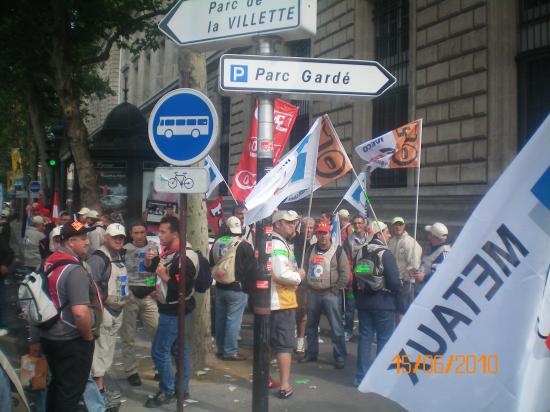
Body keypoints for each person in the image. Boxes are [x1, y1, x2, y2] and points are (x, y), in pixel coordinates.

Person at [144, 215, 212, 407]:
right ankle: (181, 389)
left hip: (174, 312)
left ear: (175, 233)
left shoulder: (185, 257)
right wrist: (150, 264)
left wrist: (164, 277)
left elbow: (182, 287)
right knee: (179, 350)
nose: (160, 235)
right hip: (170, 308)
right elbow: (153, 271)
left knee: (159, 351)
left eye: (163, 232)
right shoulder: (169, 252)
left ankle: (168, 390)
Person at [40, 221, 102, 412]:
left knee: (58, 386)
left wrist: (34, 340)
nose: (87, 243)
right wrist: (87, 336)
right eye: (83, 239)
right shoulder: (74, 270)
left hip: (49, 336)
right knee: (70, 392)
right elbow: (79, 312)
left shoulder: (46, 263)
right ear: (70, 242)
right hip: (71, 339)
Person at [353, 220, 401, 385]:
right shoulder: (385, 253)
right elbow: (394, 282)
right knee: (384, 339)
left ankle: (361, 376)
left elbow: (356, 278)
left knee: (365, 338)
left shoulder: (360, 252)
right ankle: (379, 378)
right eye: (387, 232)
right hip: (384, 302)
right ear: (379, 234)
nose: (389, 235)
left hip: (364, 302)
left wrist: (358, 299)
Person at [299, 221, 349, 369]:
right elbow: (306, 268)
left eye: (325, 233)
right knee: (311, 326)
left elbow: (345, 273)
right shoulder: (310, 249)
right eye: (320, 233)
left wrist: (336, 289)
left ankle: (339, 356)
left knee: (336, 327)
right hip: (313, 292)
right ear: (316, 234)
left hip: (330, 293)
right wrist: (307, 285)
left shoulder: (338, 251)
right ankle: (311, 352)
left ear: (329, 234)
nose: (322, 236)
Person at [87, 223, 128, 401]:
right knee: (100, 352)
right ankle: (98, 392)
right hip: (105, 311)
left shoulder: (118, 255)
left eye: (121, 238)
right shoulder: (98, 259)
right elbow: (91, 285)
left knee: (107, 351)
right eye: (115, 237)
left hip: (117, 310)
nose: (118, 240)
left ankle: (98, 391)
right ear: (106, 237)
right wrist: (100, 306)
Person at [210, 216, 255, 360]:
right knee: (233, 321)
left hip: (220, 286)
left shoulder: (217, 242)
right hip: (237, 288)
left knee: (220, 319)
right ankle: (230, 352)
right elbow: (251, 269)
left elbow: (212, 262)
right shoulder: (244, 245)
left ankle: (221, 348)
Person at [270, 210, 304, 399]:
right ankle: (284, 385)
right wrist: (299, 276)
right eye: (288, 222)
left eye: (294, 223)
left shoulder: (275, 242)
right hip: (281, 301)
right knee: (284, 345)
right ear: (277, 224)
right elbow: (280, 273)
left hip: (273, 300)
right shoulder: (278, 244)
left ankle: (265, 377)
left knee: (268, 344)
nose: (293, 225)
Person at [120, 222, 159, 386]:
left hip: (149, 296)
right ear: (131, 233)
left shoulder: (153, 248)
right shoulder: (124, 249)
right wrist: (124, 293)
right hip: (130, 296)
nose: (139, 236)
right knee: (128, 336)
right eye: (136, 232)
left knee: (156, 332)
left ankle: (159, 368)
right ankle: (131, 371)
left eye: (142, 232)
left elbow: (155, 269)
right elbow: (120, 272)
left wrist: (152, 288)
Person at [388, 217, 422, 319]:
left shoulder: (410, 242)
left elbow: (414, 263)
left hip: (405, 283)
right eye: (395, 224)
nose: (398, 226)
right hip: (392, 283)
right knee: (394, 311)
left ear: (404, 226)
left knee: (403, 312)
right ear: (392, 226)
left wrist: (406, 277)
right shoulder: (391, 241)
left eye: (400, 224)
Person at [292, 216, 316, 353]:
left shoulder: (315, 243)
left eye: (311, 228)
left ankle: (300, 341)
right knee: (292, 313)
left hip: (307, 284)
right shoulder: (295, 240)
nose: (308, 230)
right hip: (293, 281)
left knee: (303, 315)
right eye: (305, 227)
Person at [412, 222, 451, 293]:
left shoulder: (444, 252)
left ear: (432, 235)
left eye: (429, 233)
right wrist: (417, 272)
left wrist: (424, 277)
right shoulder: (434, 249)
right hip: (422, 291)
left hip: (430, 293)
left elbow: (442, 274)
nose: (428, 235)